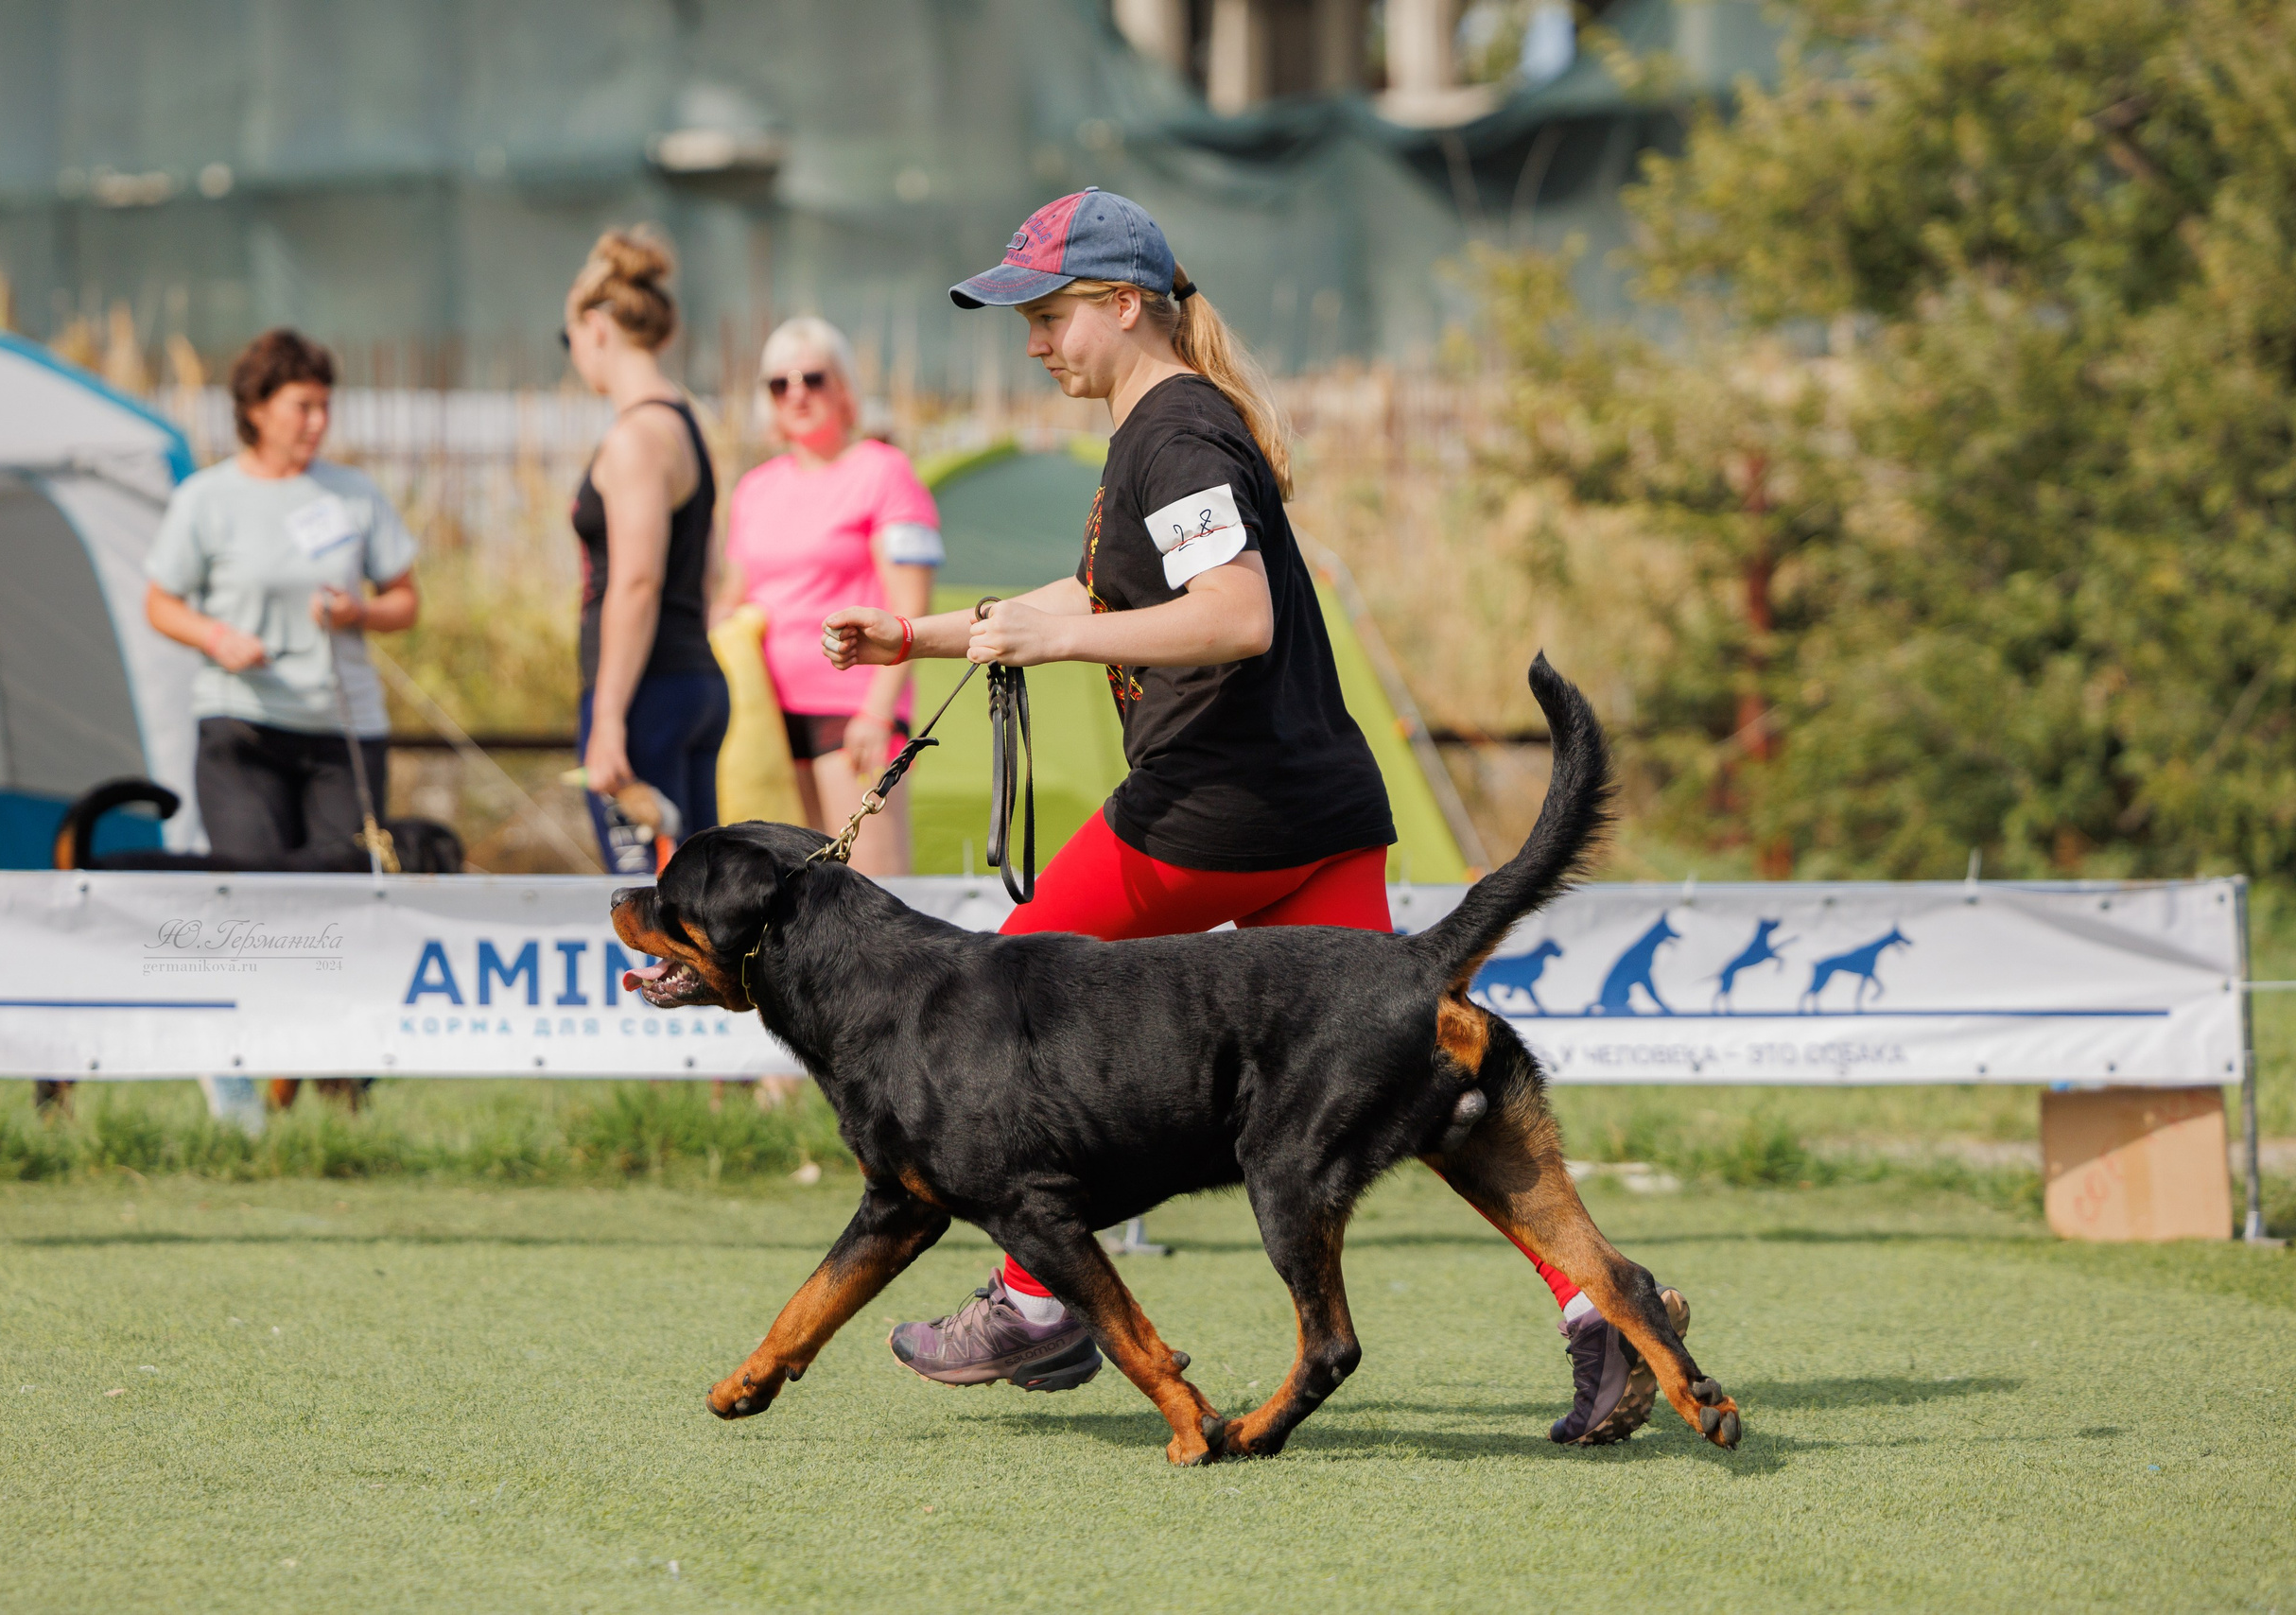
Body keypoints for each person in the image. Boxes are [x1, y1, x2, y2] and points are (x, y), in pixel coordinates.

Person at [822, 189, 1687, 1445]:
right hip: (1318, 815)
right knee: (1418, 1084)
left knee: (1007, 1005)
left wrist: (1064, 641)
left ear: (1123, 307)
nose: (1032, 342)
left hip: (1214, 814)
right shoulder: (1162, 429)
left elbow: (1235, 615)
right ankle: (1603, 1308)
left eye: (1048, 315)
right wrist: (921, 632)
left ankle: (1034, 1303)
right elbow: (1109, 588)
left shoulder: (1174, 435)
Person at [145, 328, 418, 873]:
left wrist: (358, 612)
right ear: (257, 409)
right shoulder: (205, 498)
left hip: (343, 733)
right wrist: (216, 637)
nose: (318, 421)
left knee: (343, 899)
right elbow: (159, 603)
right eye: (303, 406)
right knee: (256, 895)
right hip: (242, 724)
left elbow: (406, 602)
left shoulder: (354, 493)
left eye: (325, 406)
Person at [714, 318, 939, 877]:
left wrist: (878, 711)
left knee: (871, 892)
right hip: (766, 718)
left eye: (812, 378)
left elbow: (910, 606)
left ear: (843, 389)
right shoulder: (754, 488)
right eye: (778, 383)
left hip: (852, 712)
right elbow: (733, 598)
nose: (796, 393)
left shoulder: (885, 473)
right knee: (795, 898)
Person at [565, 228, 728, 874]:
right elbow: (709, 569)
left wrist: (608, 719)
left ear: (597, 328)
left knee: (657, 917)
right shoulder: (686, 423)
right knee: (699, 913)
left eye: (570, 338)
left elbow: (636, 581)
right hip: (691, 680)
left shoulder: (636, 438)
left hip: (647, 695)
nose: (574, 355)